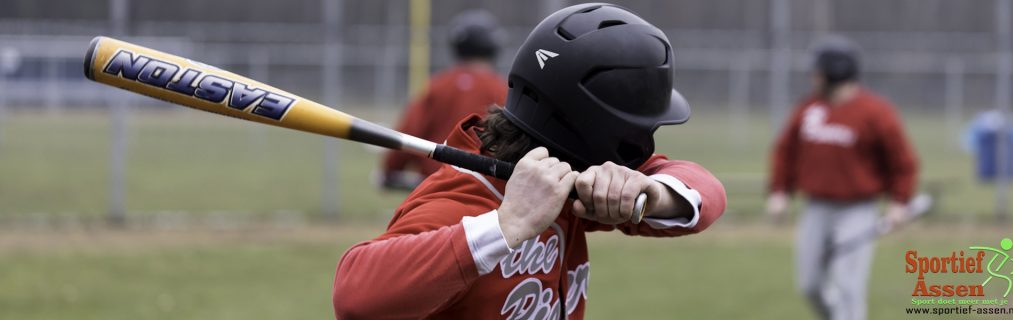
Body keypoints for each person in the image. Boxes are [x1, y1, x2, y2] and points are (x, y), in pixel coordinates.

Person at [334, 4, 727, 319]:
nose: (645, 145)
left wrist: (652, 192)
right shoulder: (462, 202)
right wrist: (505, 226)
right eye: (638, 131)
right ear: (593, 128)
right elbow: (354, 296)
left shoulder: (568, 185)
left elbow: (709, 195)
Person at [765, 35, 919, 320]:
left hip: (857, 209)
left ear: (836, 71)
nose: (814, 76)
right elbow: (785, 152)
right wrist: (779, 192)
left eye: (819, 70)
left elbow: (903, 162)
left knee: (849, 285)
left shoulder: (875, 112)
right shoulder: (809, 108)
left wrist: (899, 202)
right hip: (816, 208)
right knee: (810, 284)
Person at [380, 10, 508, 190]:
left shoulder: (438, 85)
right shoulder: (501, 88)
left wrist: (391, 170)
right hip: (485, 187)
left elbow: (411, 131)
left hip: (435, 185)